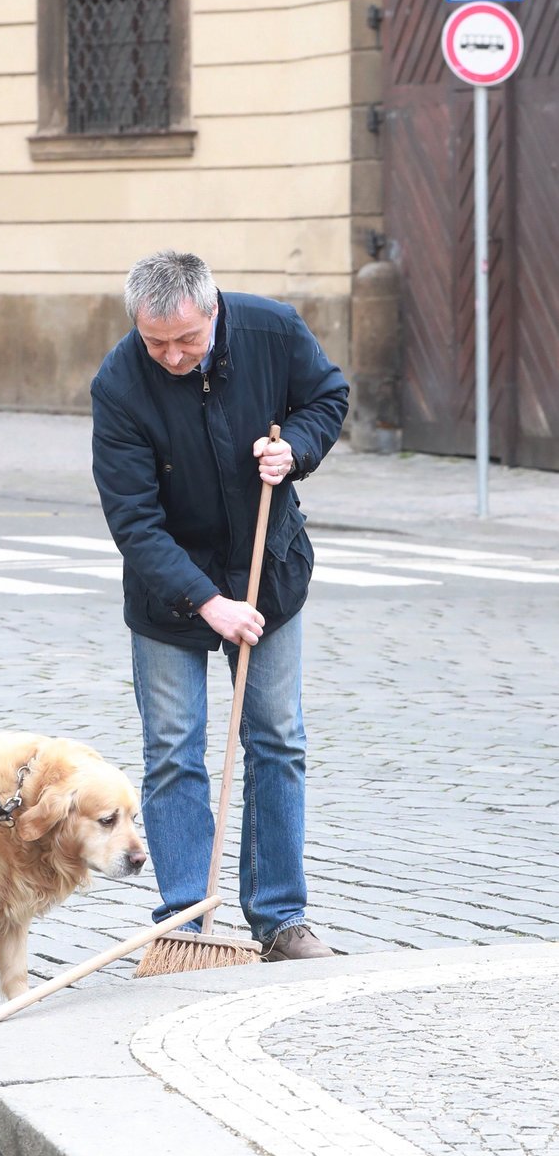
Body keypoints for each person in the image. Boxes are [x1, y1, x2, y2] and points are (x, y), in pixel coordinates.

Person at [90, 251, 349, 960]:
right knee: (173, 750)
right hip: (169, 586)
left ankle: (280, 917)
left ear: (213, 313)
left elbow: (327, 397)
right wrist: (207, 603)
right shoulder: (118, 382)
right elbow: (133, 521)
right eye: (155, 342)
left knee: (275, 741)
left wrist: (293, 448)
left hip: (268, 568)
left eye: (186, 340)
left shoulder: (272, 330)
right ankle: (186, 916)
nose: (171, 356)